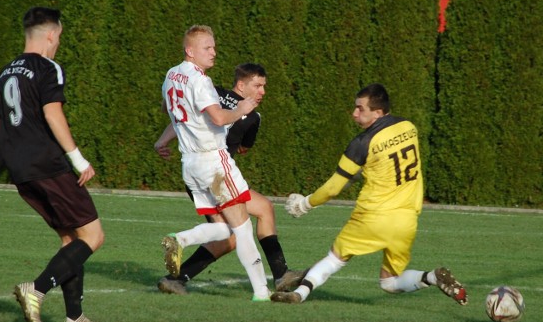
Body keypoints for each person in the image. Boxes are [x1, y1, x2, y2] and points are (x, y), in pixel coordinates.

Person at [270, 83, 468, 306]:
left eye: (360, 108)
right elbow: (385, 163)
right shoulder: (408, 126)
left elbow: (333, 188)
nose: (354, 113)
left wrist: (306, 203)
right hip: (407, 220)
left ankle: (300, 294)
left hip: (373, 215)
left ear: (378, 112)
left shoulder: (361, 143)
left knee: (335, 258)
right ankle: (432, 276)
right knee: (389, 283)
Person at [0, 7, 111, 322]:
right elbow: (53, 113)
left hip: (21, 170)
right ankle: (37, 290)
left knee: (70, 239)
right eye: (59, 38)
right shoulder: (47, 67)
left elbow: (0, 127)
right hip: (47, 163)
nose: (58, 44)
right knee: (93, 236)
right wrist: (78, 160)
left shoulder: (4, 73)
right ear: (51, 34)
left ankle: (75, 321)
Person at [154, 63, 305, 295]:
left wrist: (162, 141)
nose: (262, 92)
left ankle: (280, 274)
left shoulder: (214, 92)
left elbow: (186, 120)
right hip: (216, 175)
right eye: (257, 86)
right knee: (231, 236)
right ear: (241, 85)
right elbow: (244, 148)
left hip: (197, 172)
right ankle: (180, 274)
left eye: (264, 86)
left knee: (261, 210)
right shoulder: (253, 116)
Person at [159, 25, 270, 301]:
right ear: (190, 51)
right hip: (214, 163)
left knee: (225, 230)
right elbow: (219, 119)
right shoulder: (200, 80)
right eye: (207, 47)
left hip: (191, 165)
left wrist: (160, 142)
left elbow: (170, 111)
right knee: (242, 229)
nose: (213, 52)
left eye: (214, 46)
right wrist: (241, 109)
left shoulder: (172, 75)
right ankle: (262, 293)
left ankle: (182, 239)